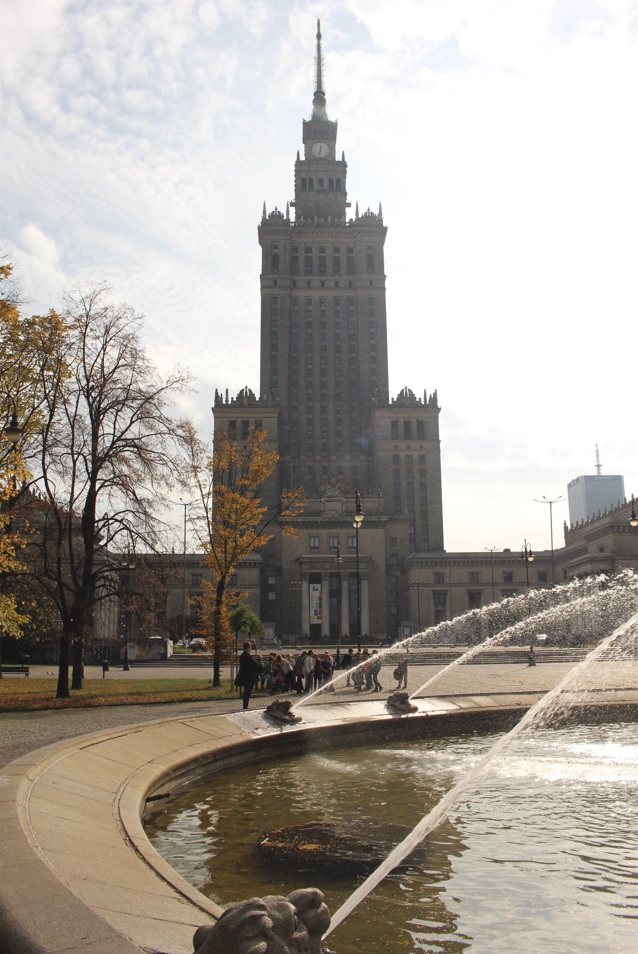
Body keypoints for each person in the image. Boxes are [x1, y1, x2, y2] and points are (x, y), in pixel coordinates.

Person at [237, 641, 262, 710]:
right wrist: (259, 665)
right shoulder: (248, 656)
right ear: (248, 647)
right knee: (247, 692)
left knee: (246, 691)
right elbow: (255, 664)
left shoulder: (242, 655)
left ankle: (245, 706)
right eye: (250, 647)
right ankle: (245, 707)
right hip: (249, 676)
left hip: (244, 676)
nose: (251, 648)